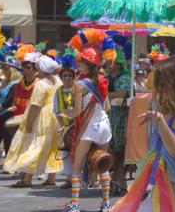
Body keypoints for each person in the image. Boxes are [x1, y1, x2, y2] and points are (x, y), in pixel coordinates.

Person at [112, 55, 175, 212]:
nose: (160, 88)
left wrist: (159, 120)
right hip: (163, 189)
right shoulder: (169, 112)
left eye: (164, 83)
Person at [61, 46, 112, 212]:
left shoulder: (79, 84)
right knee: (102, 164)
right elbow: (108, 107)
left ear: (85, 64)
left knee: (77, 165)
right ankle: (106, 204)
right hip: (104, 124)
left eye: (81, 62)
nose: (79, 65)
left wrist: (64, 112)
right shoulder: (103, 80)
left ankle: (74, 204)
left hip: (88, 126)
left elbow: (76, 112)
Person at [4, 55, 63, 187]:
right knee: (52, 146)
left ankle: (27, 179)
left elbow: (35, 106)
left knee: (35, 145)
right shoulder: (58, 81)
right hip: (56, 116)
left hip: (43, 117)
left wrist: (29, 123)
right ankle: (51, 179)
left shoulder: (41, 84)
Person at [105, 49, 131, 196]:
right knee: (112, 152)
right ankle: (116, 181)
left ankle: (121, 183)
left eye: (111, 61)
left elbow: (123, 93)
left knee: (119, 153)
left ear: (118, 63)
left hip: (122, 118)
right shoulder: (108, 77)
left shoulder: (126, 77)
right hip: (110, 117)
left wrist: (104, 94)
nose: (108, 64)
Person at [0, 57, 21, 172]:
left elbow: (10, 100)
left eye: (6, 68)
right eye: (3, 68)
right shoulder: (4, 82)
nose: (3, 70)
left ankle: (10, 167)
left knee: (9, 141)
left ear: (13, 70)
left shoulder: (16, 84)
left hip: (9, 115)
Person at [53, 49, 77, 189]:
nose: (67, 78)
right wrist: (63, 127)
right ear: (61, 77)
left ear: (73, 77)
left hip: (78, 126)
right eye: (64, 75)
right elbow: (56, 111)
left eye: (69, 75)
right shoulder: (58, 92)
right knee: (66, 153)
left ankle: (89, 178)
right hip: (65, 127)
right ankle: (69, 179)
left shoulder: (78, 90)